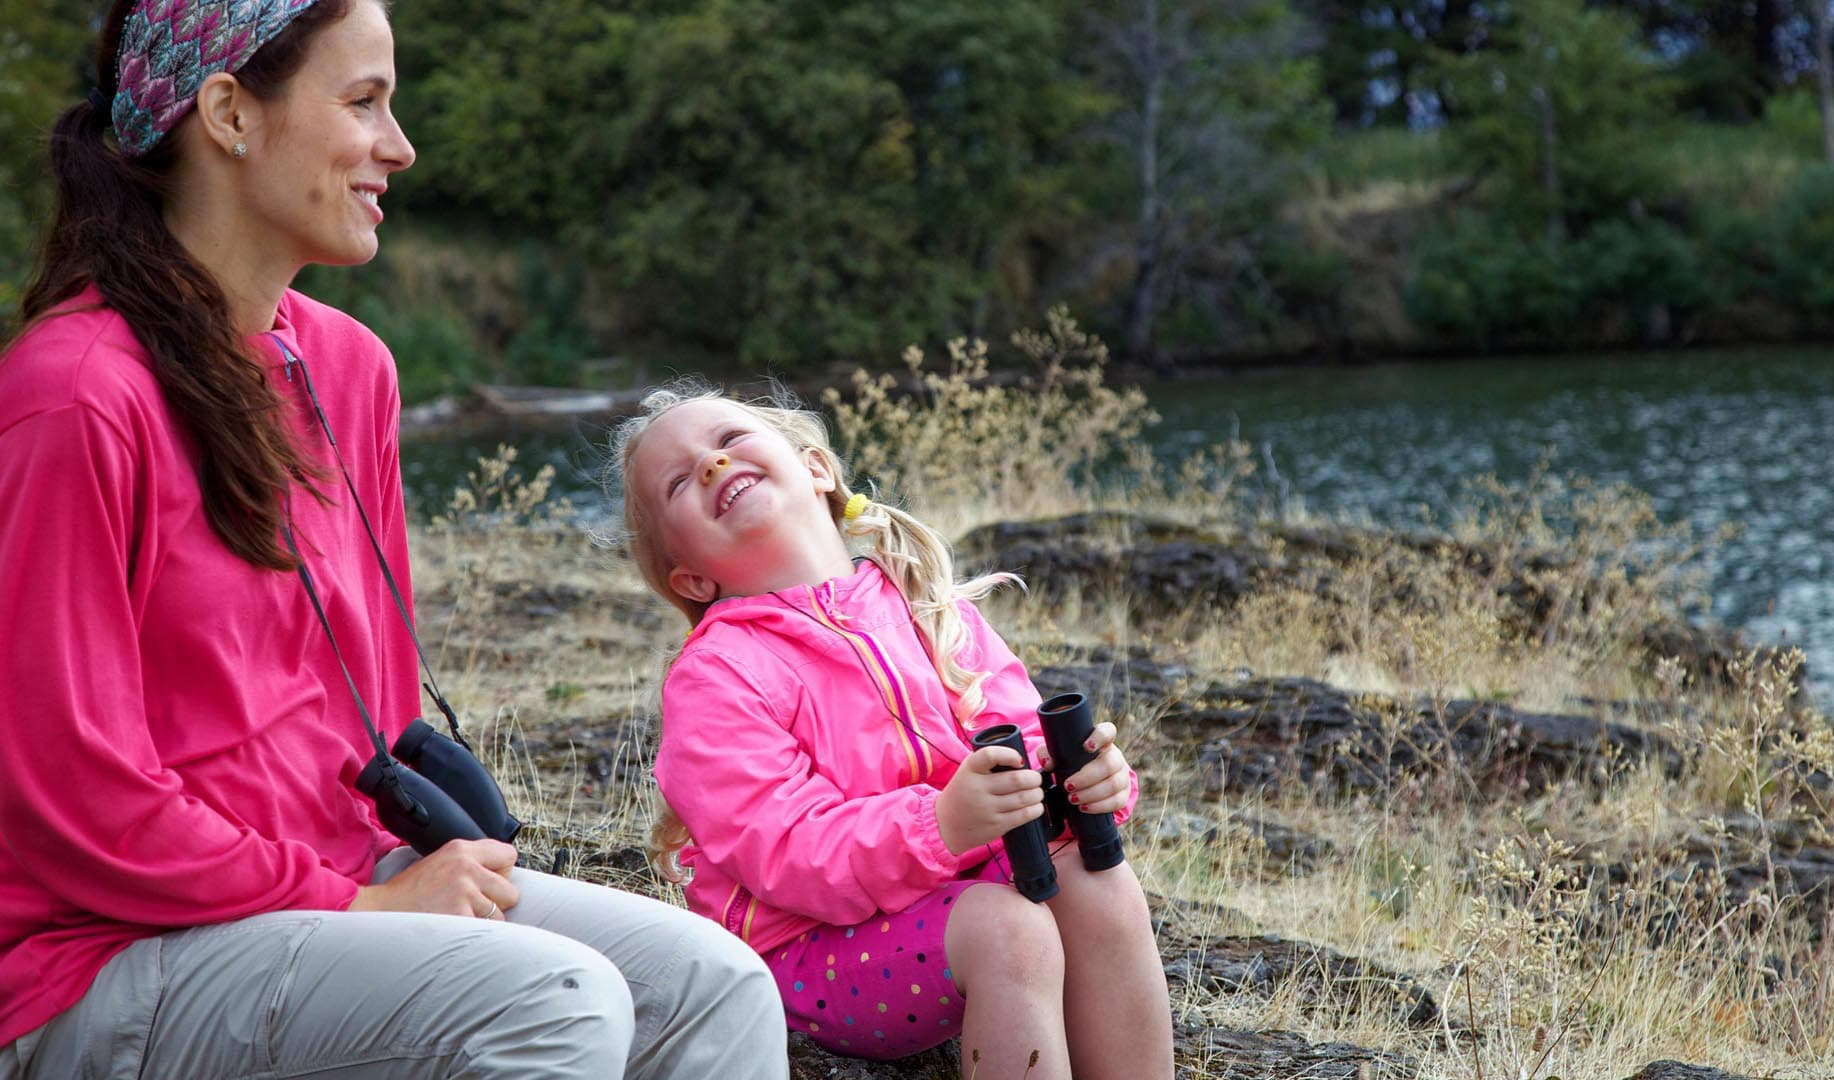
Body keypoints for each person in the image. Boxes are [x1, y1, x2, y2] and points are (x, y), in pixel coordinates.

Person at [0, 3, 785, 1077]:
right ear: (228, 112)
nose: (400, 145)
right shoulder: (76, 395)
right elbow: (68, 794)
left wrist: (387, 883)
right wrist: (362, 903)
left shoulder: (350, 369)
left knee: (716, 986)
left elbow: (370, 705)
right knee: (556, 1004)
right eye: (363, 102)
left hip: (330, 891)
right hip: (103, 957)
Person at [614, 384, 1176, 1080]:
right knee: (1011, 931)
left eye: (729, 441)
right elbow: (787, 852)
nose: (710, 466)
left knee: (1101, 881)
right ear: (692, 579)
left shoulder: (924, 603)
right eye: (678, 481)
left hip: (953, 888)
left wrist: (1088, 785)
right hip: (811, 948)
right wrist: (940, 823)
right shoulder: (718, 676)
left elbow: (1025, 745)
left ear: (815, 468)